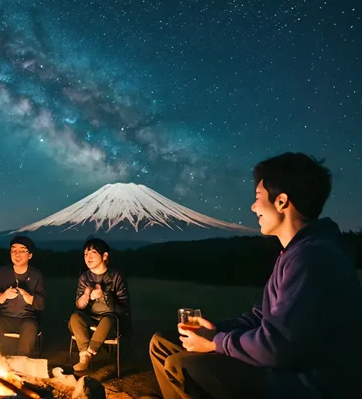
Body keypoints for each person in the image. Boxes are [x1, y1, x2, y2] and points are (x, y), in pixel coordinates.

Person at [149, 152, 362, 398]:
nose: (252, 207)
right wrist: (215, 329)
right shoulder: (295, 253)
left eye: (258, 197)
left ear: (281, 202)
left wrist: (216, 342)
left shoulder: (313, 257)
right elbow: (261, 316)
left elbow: (278, 347)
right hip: (284, 365)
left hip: (306, 382)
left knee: (183, 365)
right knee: (163, 343)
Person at [69, 238, 131, 371]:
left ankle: (87, 356)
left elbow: (123, 308)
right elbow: (79, 306)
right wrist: (86, 296)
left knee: (108, 319)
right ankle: (84, 355)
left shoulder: (116, 276)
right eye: (85, 253)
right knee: (75, 317)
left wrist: (103, 295)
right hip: (90, 320)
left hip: (111, 323)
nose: (88, 257)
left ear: (105, 256)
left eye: (92, 252)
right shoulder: (84, 277)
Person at [0, 236, 46, 357]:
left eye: (22, 250)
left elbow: (41, 303)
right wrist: (3, 295)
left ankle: (21, 360)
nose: (17, 254)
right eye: (14, 250)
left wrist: (28, 297)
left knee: (30, 326)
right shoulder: (3, 273)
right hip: (6, 317)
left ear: (30, 255)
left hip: (27, 318)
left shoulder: (36, 275)